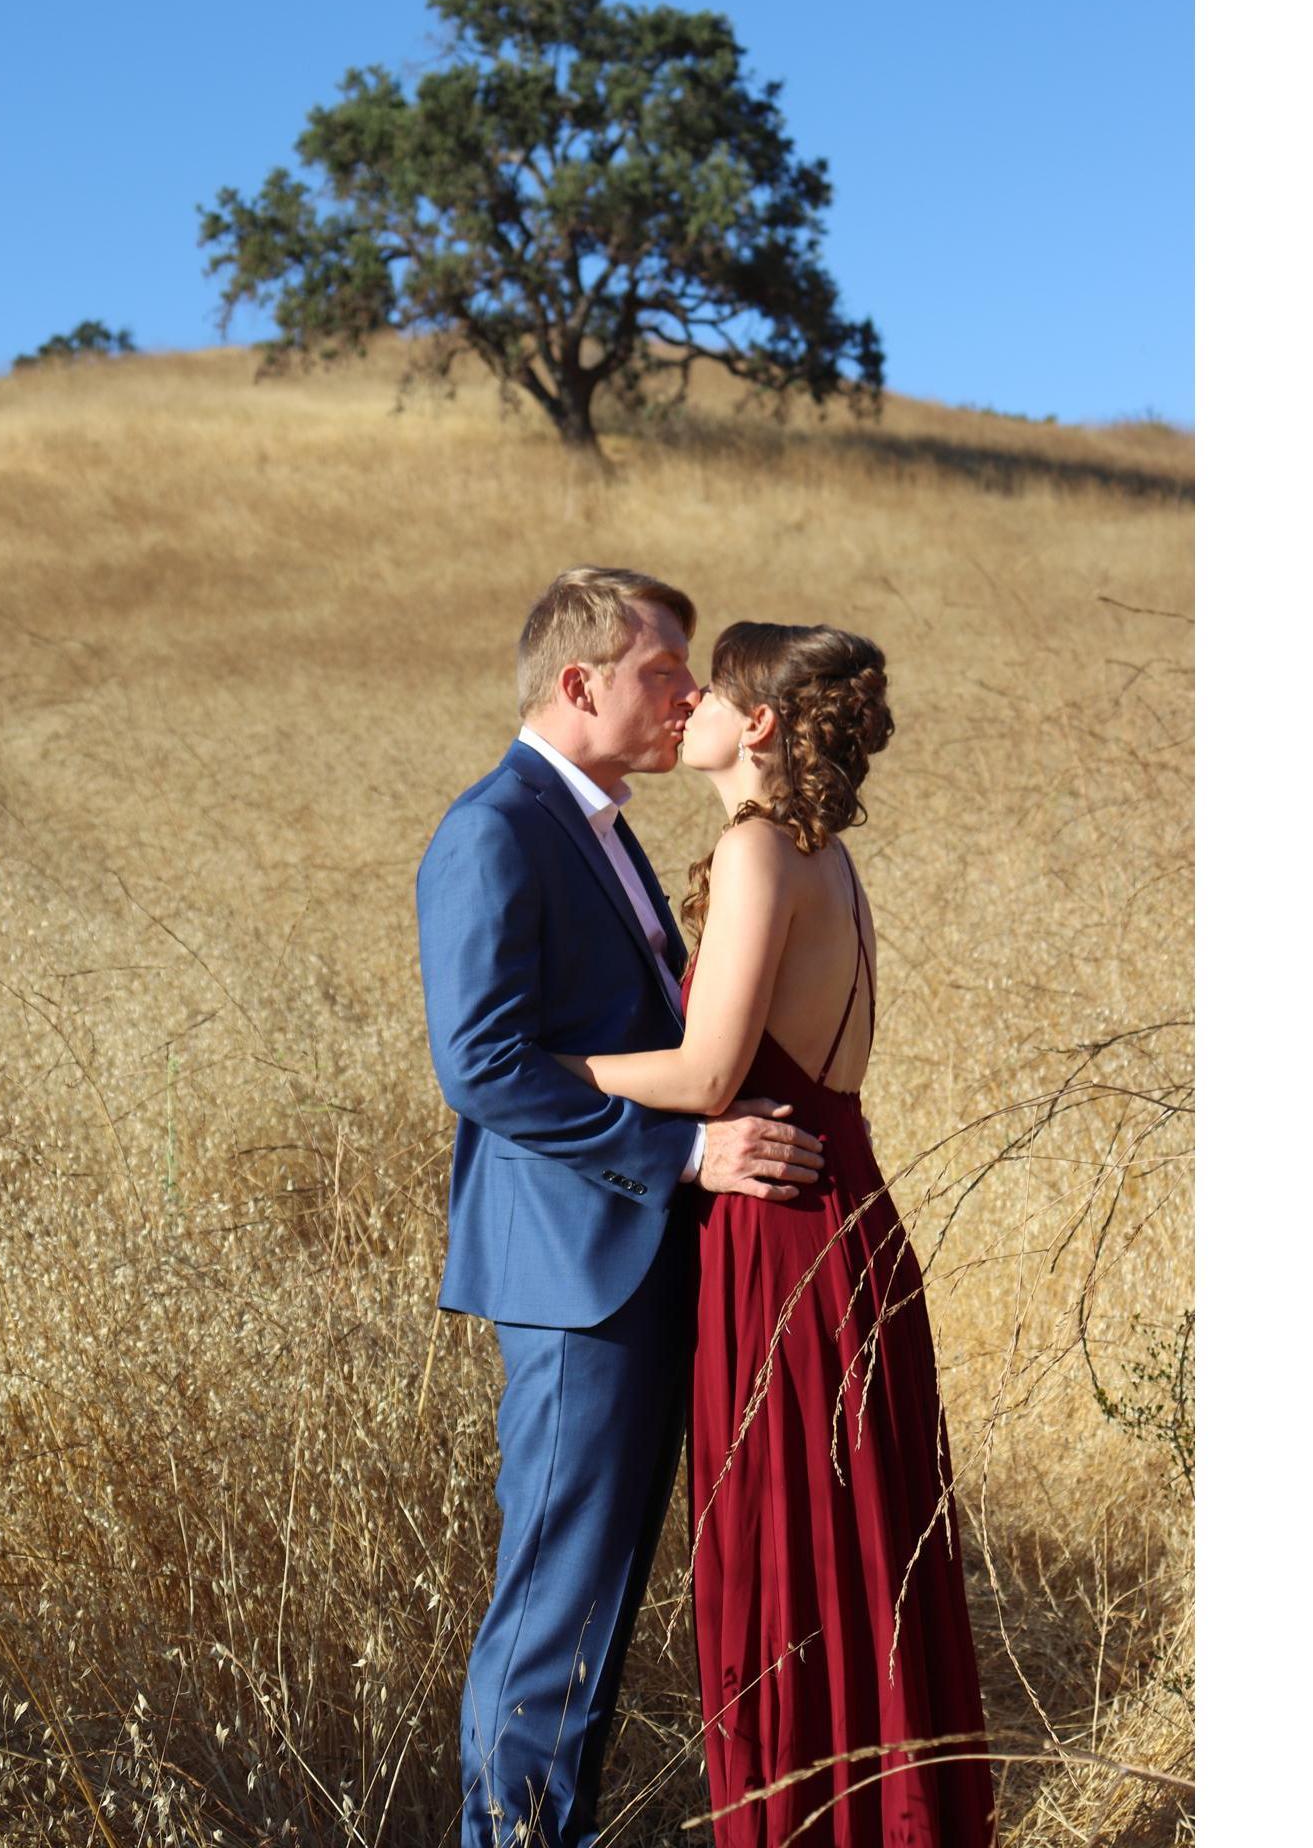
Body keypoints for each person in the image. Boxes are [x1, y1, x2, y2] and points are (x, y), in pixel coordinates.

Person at [556, 622, 996, 1848]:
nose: (683, 699)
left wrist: (552, 1065)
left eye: (709, 688)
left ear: (755, 725)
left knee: (792, 1572)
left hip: (784, 1246)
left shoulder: (758, 851)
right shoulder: (825, 858)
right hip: (841, 1227)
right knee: (857, 1572)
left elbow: (705, 1075)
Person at [416, 568, 829, 1848]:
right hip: (570, 1273)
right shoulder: (496, 826)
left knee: (590, 1613)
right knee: (551, 1612)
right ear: (578, 681)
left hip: (635, 1268)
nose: (686, 694)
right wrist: (683, 1158)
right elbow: (479, 1065)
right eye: (663, 671)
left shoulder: (597, 823)